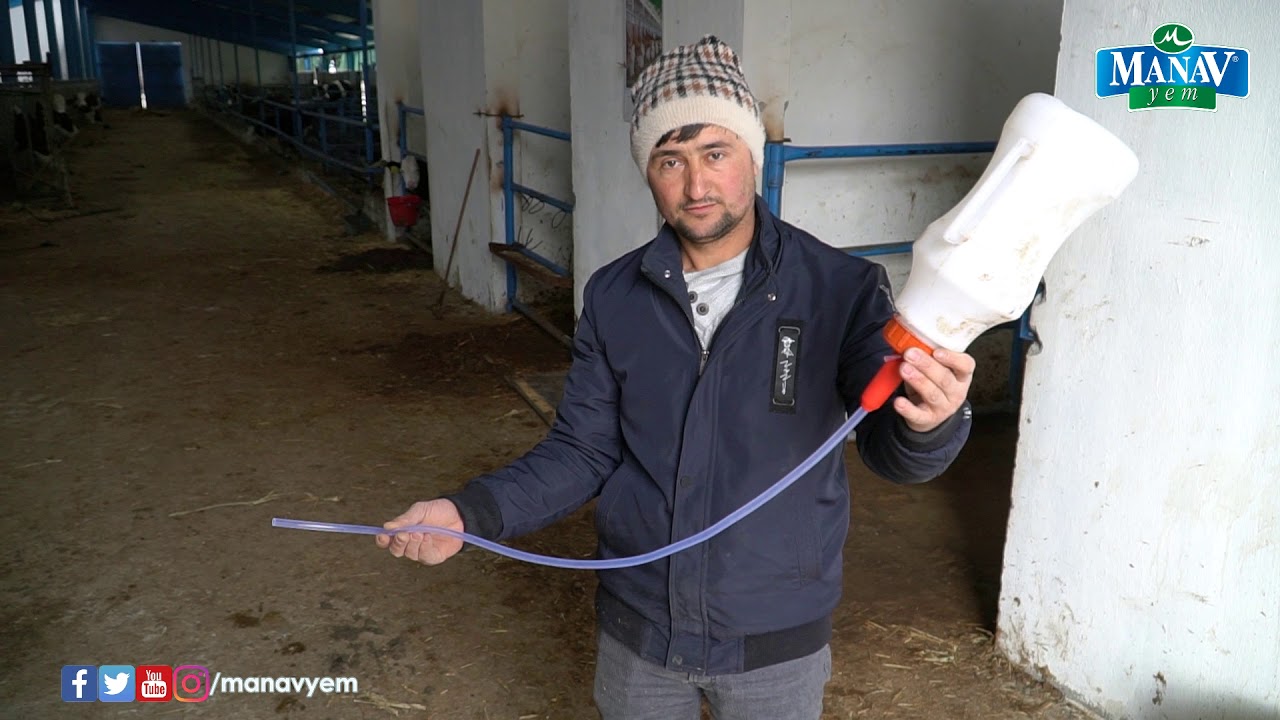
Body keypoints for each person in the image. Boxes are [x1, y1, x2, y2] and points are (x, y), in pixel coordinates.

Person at [378, 34, 975, 720]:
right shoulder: (613, 296)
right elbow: (583, 450)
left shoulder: (841, 289)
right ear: (648, 173)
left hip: (773, 645)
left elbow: (890, 451)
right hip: (640, 635)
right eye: (671, 160)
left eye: (715, 154)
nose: (697, 186)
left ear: (751, 154)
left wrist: (931, 424)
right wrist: (467, 514)